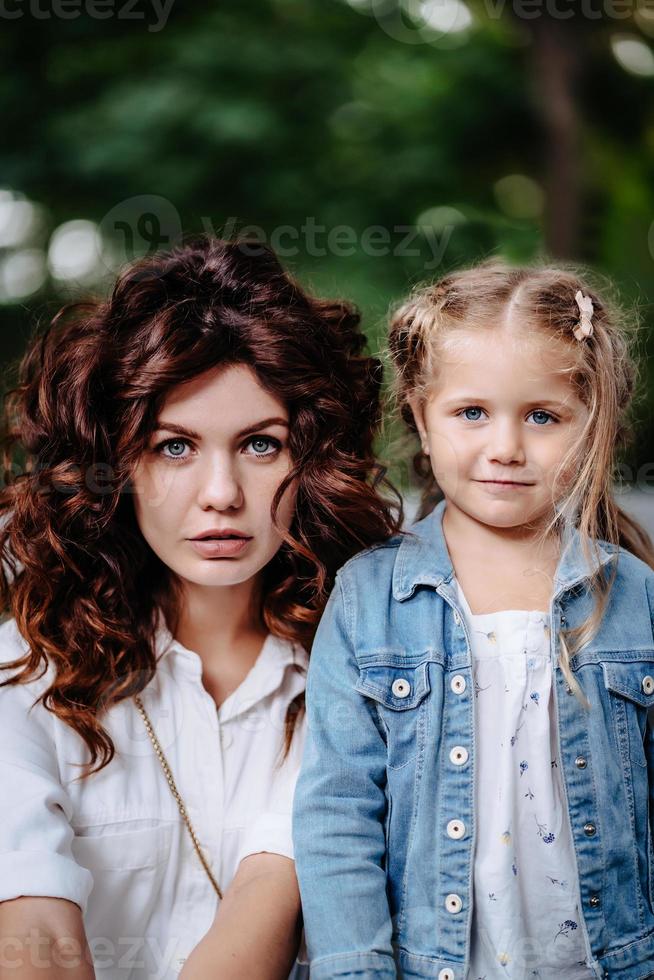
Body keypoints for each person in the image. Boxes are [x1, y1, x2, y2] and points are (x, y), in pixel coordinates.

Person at [0, 237, 400, 980]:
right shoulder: (21, 676)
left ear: (312, 460)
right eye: (174, 447)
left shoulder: (368, 667)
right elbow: (36, 939)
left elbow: (267, 895)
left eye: (260, 444)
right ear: (114, 463)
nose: (221, 494)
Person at [293, 260, 654, 980]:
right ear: (422, 418)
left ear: (593, 428)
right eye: (471, 413)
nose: (506, 448)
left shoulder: (634, 596)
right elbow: (337, 818)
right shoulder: (370, 599)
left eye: (542, 417)